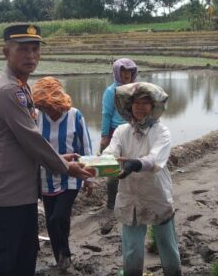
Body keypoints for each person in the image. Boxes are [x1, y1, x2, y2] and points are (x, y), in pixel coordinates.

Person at [0, 24, 93, 276]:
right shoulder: (9, 90)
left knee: (21, 265)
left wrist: (60, 158)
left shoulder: (21, 87)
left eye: (35, 49)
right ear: (6, 52)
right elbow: (32, 139)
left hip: (19, 198)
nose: (31, 55)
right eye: (22, 49)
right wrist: (65, 166)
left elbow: (29, 142)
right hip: (4, 200)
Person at [102, 82, 182, 276]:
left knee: (166, 244)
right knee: (131, 249)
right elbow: (110, 153)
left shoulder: (160, 131)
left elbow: (155, 159)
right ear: (129, 106)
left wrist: (133, 164)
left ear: (153, 106)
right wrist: (97, 163)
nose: (140, 107)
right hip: (130, 196)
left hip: (156, 194)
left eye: (145, 103)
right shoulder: (122, 132)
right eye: (136, 103)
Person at [32, 76, 94, 270]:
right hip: (45, 177)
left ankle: (65, 254)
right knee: (53, 221)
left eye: (52, 105)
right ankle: (61, 257)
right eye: (45, 107)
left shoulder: (75, 115)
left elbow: (85, 146)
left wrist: (89, 177)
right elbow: (33, 148)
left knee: (57, 217)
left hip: (71, 176)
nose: (50, 110)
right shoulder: (36, 117)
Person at [100, 58, 138, 209]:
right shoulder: (111, 91)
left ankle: (130, 198)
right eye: (123, 70)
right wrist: (104, 137)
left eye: (129, 71)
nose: (126, 74)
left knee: (133, 164)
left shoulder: (136, 89)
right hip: (114, 132)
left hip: (134, 132)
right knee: (112, 168)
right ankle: (111, 203)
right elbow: (106, 114)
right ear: (117, 72)